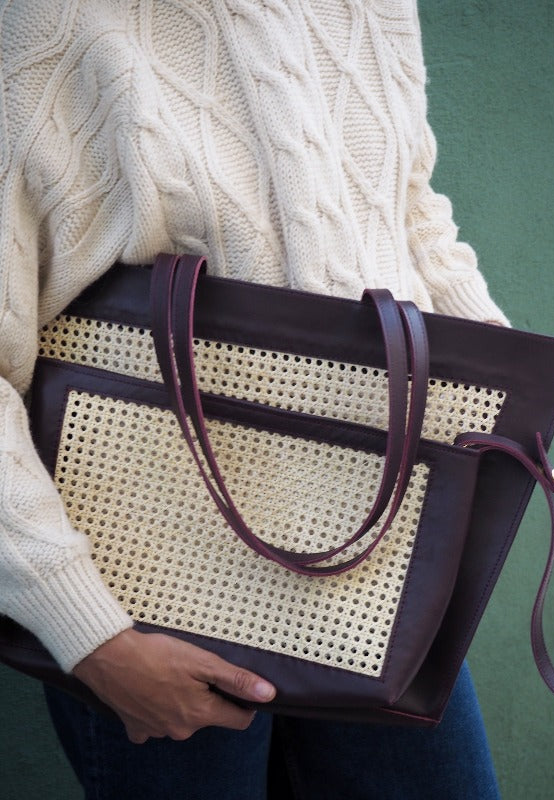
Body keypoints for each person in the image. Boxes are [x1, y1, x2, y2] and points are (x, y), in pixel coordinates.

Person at [0, 2, 507, 797]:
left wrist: (503, 412)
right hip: (148, 592)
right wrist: (92, 637)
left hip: (372, 568)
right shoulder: (50, 23)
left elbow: (409, 213)